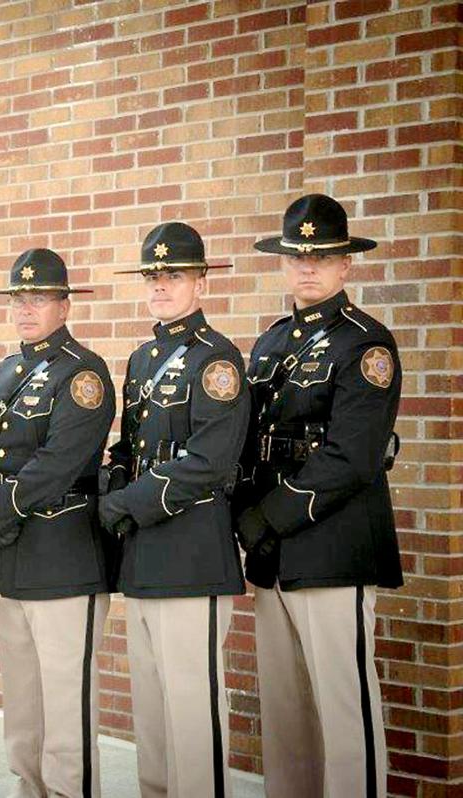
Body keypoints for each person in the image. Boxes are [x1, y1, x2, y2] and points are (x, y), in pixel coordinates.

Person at [234, 194, 401, 798]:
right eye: (296, 256)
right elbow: (253, 442)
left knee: (343, 705)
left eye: (322, 256)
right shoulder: (272, 342)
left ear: (345, 264)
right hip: (273, 553)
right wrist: (242, 519)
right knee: (285, 712)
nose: (307, 267)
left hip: (333, 544)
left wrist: (264, 517)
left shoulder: (367, 344)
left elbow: (352, 457)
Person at [99, 222, 248, 798]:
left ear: (202, 281)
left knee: (192, 708)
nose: (161, 285)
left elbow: (207, 463)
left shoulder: (218, 361)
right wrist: (108, 483)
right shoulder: (143, 357)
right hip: (142, 554)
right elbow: (131, 447)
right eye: (153, 275)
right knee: (153, 711)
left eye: (174, 275)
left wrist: (122, 504)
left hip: (191, 551)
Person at [0, 249, 116, 798]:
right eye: (18, 298)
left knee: (65, 710)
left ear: (63, 304)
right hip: (12, 561)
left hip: (64, 558)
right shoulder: (9, 368)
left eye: (38, 298)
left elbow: (60, 462)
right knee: (23, 709)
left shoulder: (83, 372)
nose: (26, 308)